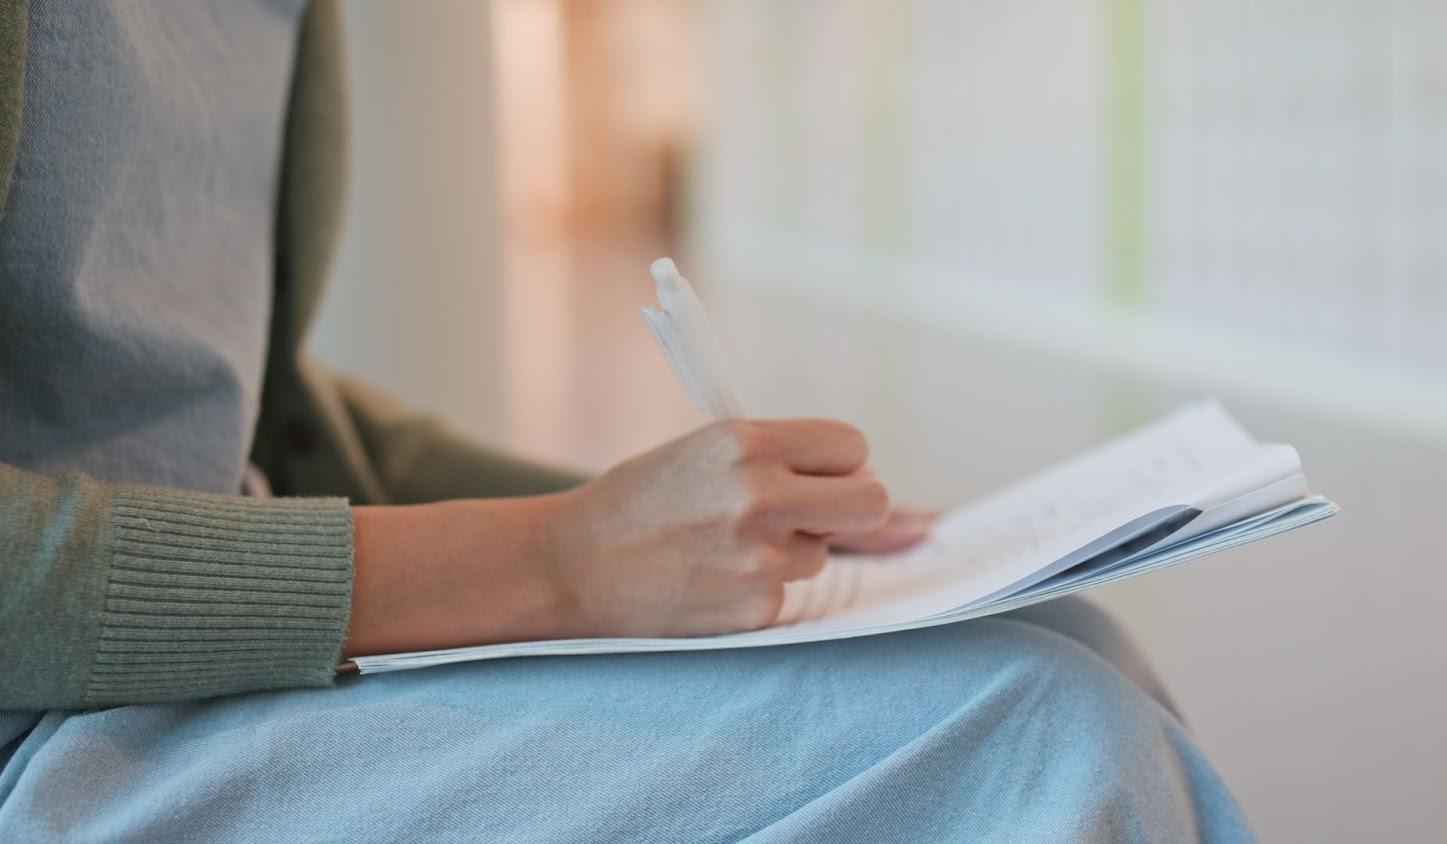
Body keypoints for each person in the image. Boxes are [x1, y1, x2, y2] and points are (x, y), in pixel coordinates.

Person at [0, 2, 1254, 840]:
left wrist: (679, 518)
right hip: (46, 721)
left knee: (1064, 628)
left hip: (223, 655)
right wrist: (562, 559)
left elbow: (251, 411)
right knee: (1045, 737)